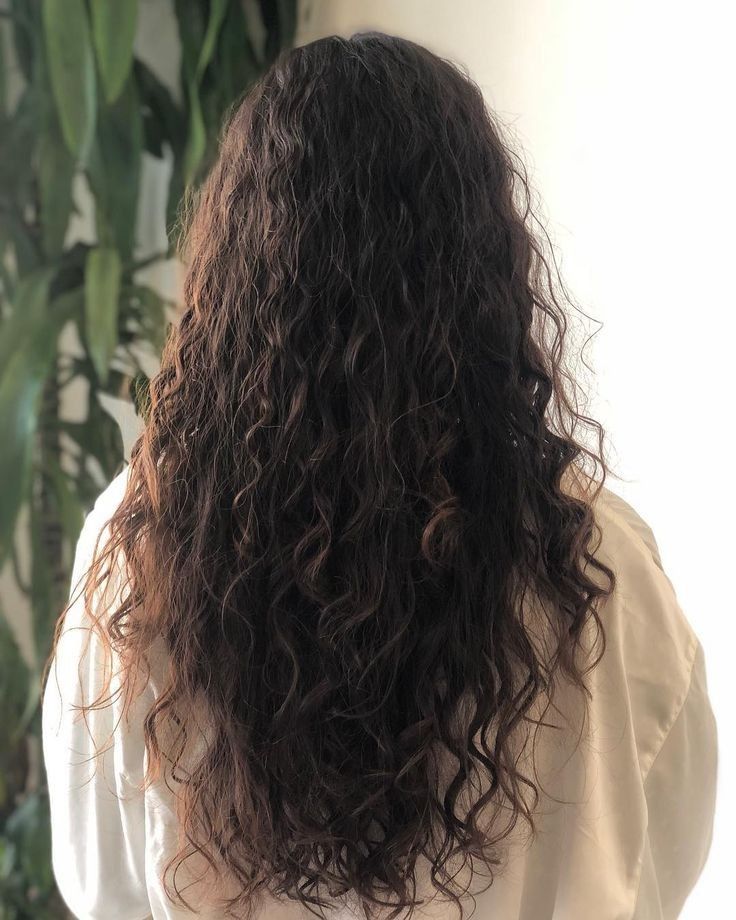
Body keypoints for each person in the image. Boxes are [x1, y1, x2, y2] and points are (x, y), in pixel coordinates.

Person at [41, 32, 717, 920]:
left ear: (236, 271)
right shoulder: (601, 571)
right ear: (488, 277)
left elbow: (102, 885)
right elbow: (665, 852)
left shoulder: (132, 554)